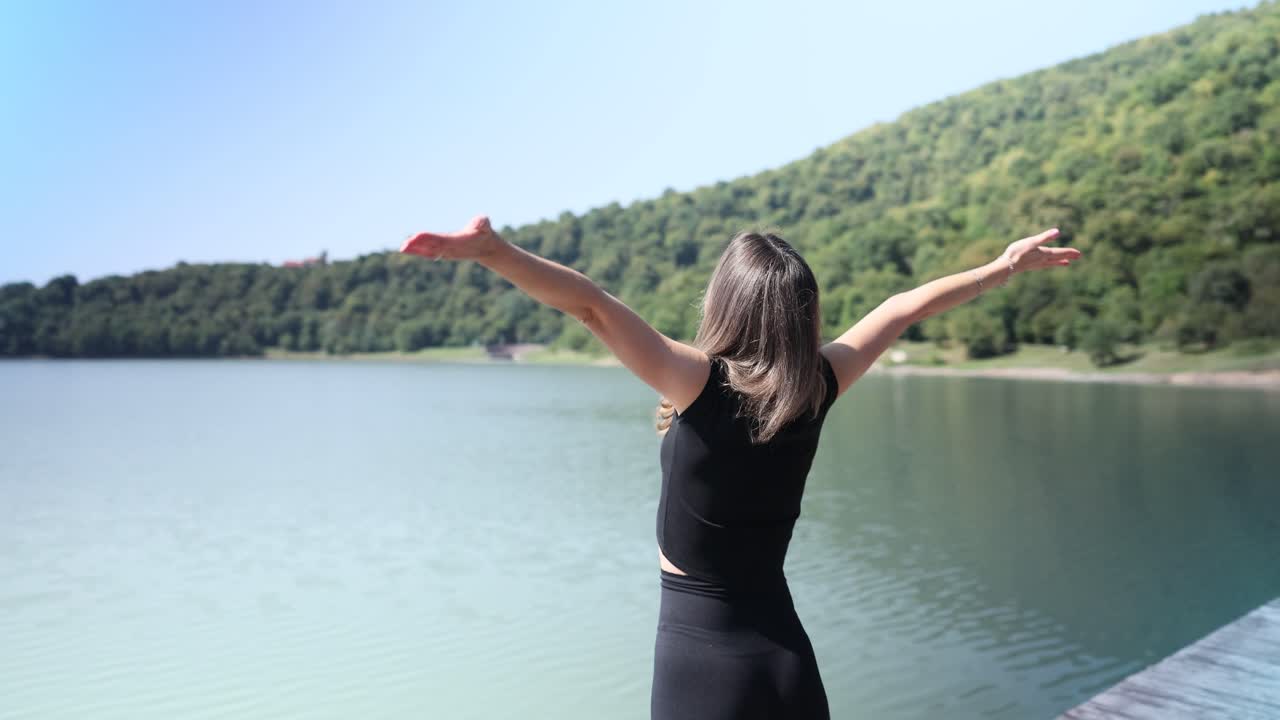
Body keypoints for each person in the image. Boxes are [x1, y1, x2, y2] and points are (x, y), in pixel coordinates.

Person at [400, 217, 1081, 719]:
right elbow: (904, 309)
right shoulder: (820, 382)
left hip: (702, 668)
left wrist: (495, 252)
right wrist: (1003, 269)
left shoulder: (697, 381)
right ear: (803, 315)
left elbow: (592, 306)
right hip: (786, 659)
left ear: (725, 304)